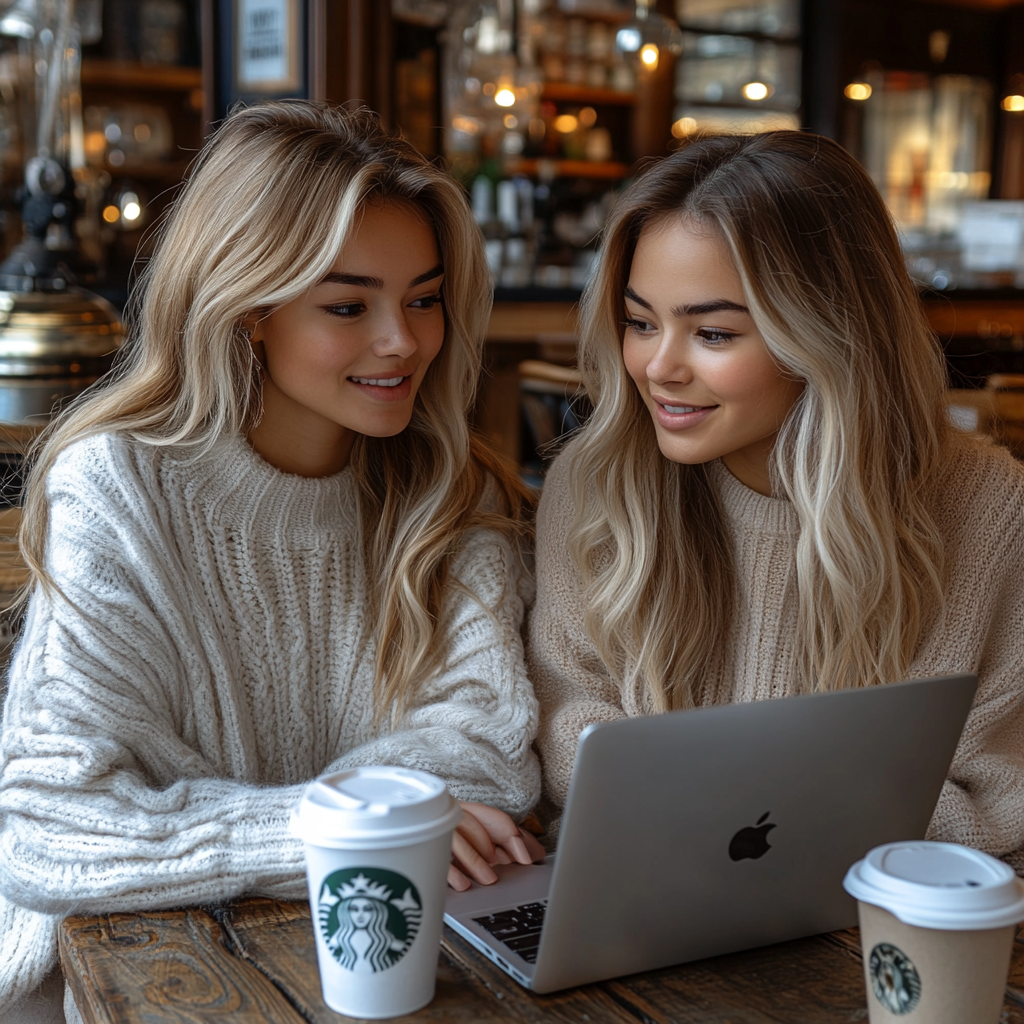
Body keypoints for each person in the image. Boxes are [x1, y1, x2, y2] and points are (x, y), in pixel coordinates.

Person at [0, 100, 543, 1019]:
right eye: (348, 305)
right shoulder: (117, 488)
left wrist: (232, 829)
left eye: (423, 298)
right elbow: (52, 826)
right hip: (112, 979)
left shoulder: (450, 489)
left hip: (370, 952)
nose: (403, 341)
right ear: (249, 308)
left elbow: (485, 764)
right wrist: (337, 834)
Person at [528, 131, 1024, 866]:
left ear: (827, 333)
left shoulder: (986, 505)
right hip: (645, 893)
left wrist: (738, 810)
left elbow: (999, 797)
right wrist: (824, 804)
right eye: (640, 322)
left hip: (881, 913)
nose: (657, 366)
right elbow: (571, 730)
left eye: (714, 332)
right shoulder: (597, 484)